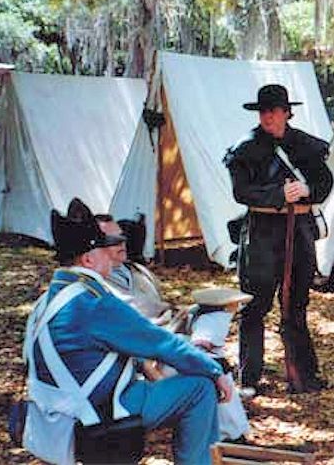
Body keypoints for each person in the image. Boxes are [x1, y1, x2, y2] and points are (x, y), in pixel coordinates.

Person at [23, 198, 230, 465]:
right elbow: (162, 343)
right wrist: (215, 371)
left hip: (55, 415)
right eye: (103, 249)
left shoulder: (49, 299)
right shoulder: (94, 302)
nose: (111, 254)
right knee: (199, 389)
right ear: (88, 259)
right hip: (94, 413)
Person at [96, 215, 252, 442]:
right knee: (209, 365)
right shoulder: (96, 289)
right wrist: (149, 365)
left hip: (170, 332)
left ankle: (204, 353)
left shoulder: (136, 271)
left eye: (122, 237)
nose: (122, 243)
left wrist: (185, 314)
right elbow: (127, 338)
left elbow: (160, 308)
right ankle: (233, 437)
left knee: (216, 313)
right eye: (113, 239)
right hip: (152, 352)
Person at [224, 84, 334, 394]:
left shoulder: (304, 145)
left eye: (274, 111)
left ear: (287, 112)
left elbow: (323, 182)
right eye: (264, 112)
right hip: (261, 233)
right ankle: (249, 377)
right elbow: (241, 191)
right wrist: (277, 194)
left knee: (296, 304)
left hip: (298, 231)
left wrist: (307, 191)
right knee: (255, 305)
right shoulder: (245, 148)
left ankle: (303, 374)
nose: (268, 117)